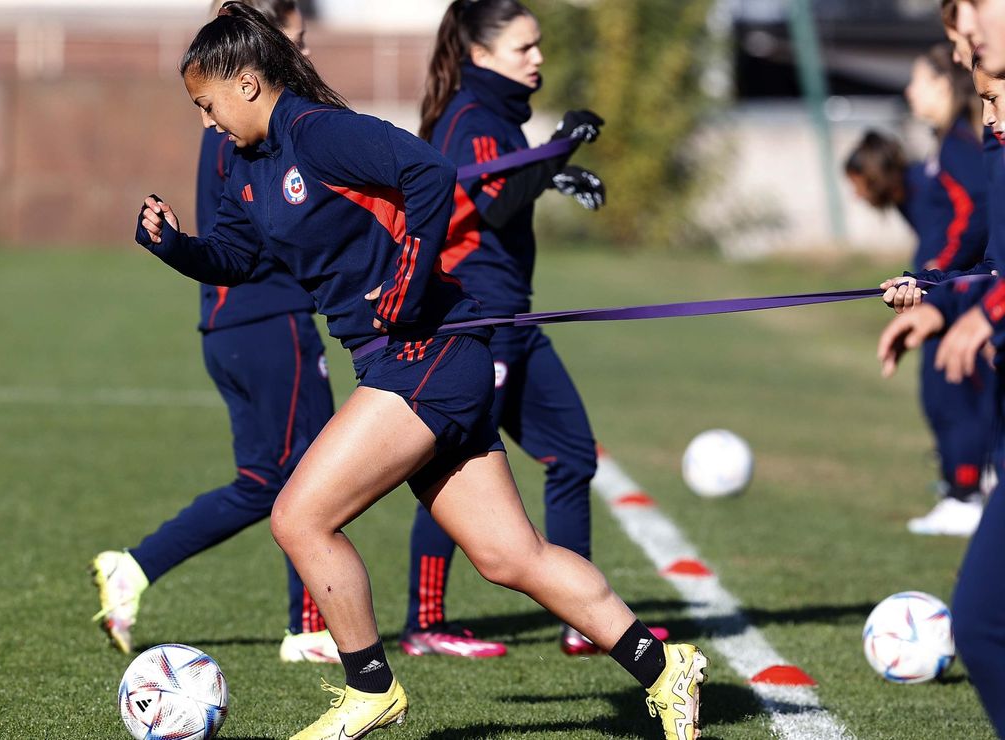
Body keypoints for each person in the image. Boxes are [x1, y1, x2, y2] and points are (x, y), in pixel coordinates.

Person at [134, 4, 708, 739]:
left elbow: (431, 173)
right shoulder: (249, 168)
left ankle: (370, 688)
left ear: (246, 84)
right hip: (413, 363)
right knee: (510, 556)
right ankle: (664, 668)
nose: (207, 121)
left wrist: (407, 282)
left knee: (299, 516)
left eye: (207, 104)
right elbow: (239, 260)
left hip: (428, 354)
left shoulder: (317, 131)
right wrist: (175, 246)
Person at [91, 0, 341, 664]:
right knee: (316, 476)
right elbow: (250, 238)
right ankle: (311, 626)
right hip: (269, 323)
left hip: (228, 327)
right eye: (297, 41)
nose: (305, 54)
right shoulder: (248, 131)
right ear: (256, 56)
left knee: (265, 481)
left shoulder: (240, 128)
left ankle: (133, 568)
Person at [398, 0, 611, 659]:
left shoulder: (491, 116)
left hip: (513, 316)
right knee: (451, 465)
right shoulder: (472, 114)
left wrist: (550, 169)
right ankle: (425, 624)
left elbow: (498, 187)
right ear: (482, 56)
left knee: (572, 452)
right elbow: (491, 203)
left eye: (538, 45)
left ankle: (584, 618)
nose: (538, 58)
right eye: (524, 49)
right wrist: (562, 147)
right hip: (478, 320)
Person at [877, 48, 1005, 738]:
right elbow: (989, 260)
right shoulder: (976, 143)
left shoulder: (966, 148)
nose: (988, 117)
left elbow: (970, 237)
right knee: (983, 627)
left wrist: (962, 299)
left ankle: (962, 490)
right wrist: (931, 293)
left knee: (982, 626)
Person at [847, 45, 991, 537]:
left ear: (944, 85)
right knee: (949, 390)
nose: (909, 90)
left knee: (950, 388)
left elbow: (974, 216)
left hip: (964, 293)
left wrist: (932, 277)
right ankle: (966, 485)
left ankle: (966, 492)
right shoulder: (945, 146)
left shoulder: (958, 146)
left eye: (917, 80)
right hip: (955, 289)